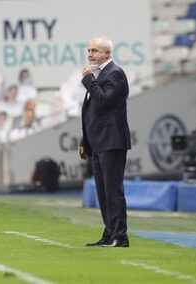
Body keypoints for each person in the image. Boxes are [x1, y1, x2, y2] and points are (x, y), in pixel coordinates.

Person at [78, 36, 131, 248]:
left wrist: (89, 79)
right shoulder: (101, 75)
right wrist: (85, 140)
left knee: (113, 190)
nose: (90, 54)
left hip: (112, 141)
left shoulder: (115, 73)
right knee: (102, 191)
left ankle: (120, 236)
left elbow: (104, 100)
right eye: (89, 50)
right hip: (98, 142)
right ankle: (110, 233)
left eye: (95, 50)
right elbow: (93, 113)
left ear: (107, 54)